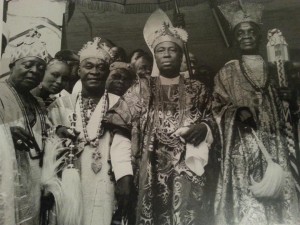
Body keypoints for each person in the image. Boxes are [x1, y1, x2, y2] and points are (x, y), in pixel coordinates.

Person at [104, 9, 219, 225]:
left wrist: (206, 127)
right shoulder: (142, 88)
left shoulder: (198, 89)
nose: (166, 54)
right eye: (160, 50)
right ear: (154, 55)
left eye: (172, 50)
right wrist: (123, 175)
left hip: (188, 174)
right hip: (150, 172)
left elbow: (215, 118)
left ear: (181, 55)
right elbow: (121, 128)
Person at [213, 2, 300, 225]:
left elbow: (292, 111)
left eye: (251, 31)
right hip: (245, 146)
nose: (246, 36)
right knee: (251, 204)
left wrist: (291, 97)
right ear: (235, 39)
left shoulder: (277, 69)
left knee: (281, 201)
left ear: (259, 36)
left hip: (277, 144)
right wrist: (235, 112)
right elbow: (216, 108)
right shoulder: (227, 72)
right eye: (240, 33)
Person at [47, 38, 133, 225]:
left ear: (107, 72)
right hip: (69, 178)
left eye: (101, 67)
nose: (95, 72)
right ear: (78, 71)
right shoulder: (61, 105)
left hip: (105, 177)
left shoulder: (118, 103)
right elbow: (47, 139)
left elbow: (122, 144)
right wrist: (56, 132)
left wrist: (124, 176)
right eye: (88, 66)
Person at [0, 28, 50, 225]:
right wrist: (6, 134)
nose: (34, 71)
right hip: (6, 182)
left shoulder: (38, 102)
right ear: (12, 66)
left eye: (40, 68)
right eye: (28, 65)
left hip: (32, 183)